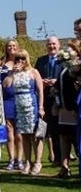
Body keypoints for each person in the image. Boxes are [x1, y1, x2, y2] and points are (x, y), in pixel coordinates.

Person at [12, 50, 44, 175]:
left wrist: (41, 107)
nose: (20, 61)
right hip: (19, 106)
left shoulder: (34, 72)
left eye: (22, 59)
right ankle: (28, 162)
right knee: (24, 135)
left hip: (31, 105)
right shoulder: (15, 73)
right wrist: (12, 72)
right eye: (18, 59)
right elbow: (6, 84)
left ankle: (38, 162)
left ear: (27, 59)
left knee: (35, 135)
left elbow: (40, 90)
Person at [54, 39, 81, 178]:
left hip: (74, 108)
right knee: (63, 137)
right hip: (64, 109)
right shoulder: (64, 68)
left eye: (71, 49)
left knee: (76, 139)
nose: (68, 51)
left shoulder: (77, 68)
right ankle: (64, 167)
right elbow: (59, 86)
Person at [34, 36, 62, 167]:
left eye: (54, 44)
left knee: (64, 130)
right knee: (51, 131)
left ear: (59, 45)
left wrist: (57, 81)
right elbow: (34, 77)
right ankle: (57, 158)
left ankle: (66, 158)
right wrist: (42, 82)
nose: (52, 46)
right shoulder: (41, 61)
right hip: (45, 100)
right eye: (49, 44)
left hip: (62, 99)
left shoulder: (65, 60)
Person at [0, 39, 24, 170]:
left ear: (18, 47)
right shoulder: (2, 63)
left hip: (20, 98)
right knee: (9, 130)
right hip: (6, 100)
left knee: (19, 130)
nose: (11, 48)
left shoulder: (22, 61)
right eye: (9, 46)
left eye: (14, 45)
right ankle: (11, 159)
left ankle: (20, 160)